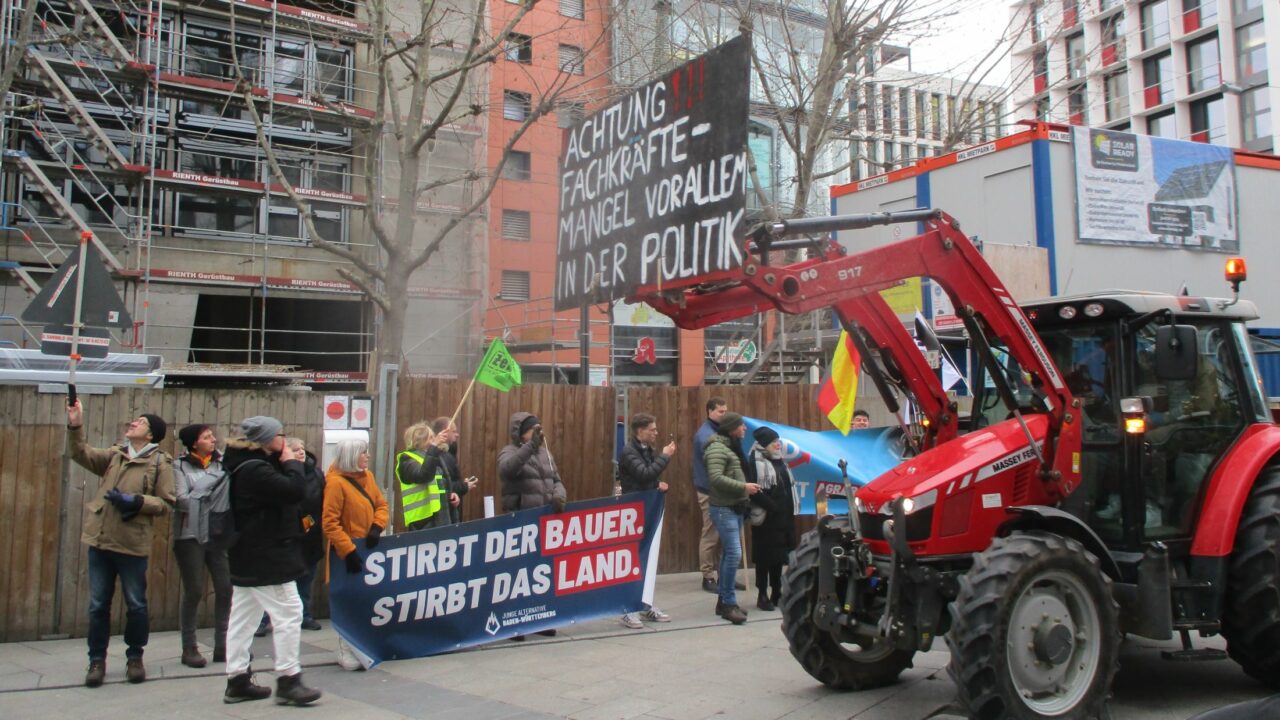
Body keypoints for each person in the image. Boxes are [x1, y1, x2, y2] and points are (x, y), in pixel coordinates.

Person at [67, 401, 174, 688]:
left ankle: (135, 658)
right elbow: (79, 453)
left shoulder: (161, 464)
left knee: (136, 605)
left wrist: (137, 501)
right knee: (98, 605)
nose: (132, 423)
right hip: (100, 541)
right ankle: (96, 661)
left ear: (151, 435)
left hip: (131, 545)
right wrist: (76, 425)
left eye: (140, 422)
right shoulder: (115, 456)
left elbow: (167, 504)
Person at [221, 416, 322, 706]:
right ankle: (289, 679)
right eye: (281, 435)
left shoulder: (241, 464)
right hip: (267, 556)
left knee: (243, 618)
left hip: (246, 553)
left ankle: (237, 678)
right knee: (290, 611)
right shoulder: (255, 470)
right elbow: (293, 490)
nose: (285, 440)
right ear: (267, 439)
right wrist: (293, 464)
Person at [321, 438, 388, 671]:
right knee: (347, 600)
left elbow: (381, 505)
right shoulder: (335, 484)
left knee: (366, 599)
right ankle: (345, 647)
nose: (367, 456)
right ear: (351, 456)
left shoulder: (367, 477)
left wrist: (377, 527)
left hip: (368, 548)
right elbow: (330, 523)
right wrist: (347, 550)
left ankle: (361, 645)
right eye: (363, 453)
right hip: (347, 552)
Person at [497, 412, 566, 639]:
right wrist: (529, 447)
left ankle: (541, 620)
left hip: (544, 520)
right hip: (521, 519)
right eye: (532, 428)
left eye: (539, 427)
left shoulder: (545, 453)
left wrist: (559, 495)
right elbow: (507, 470)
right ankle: (514, 623)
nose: (538, 431)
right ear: (521, 432)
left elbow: (556, 479)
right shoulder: (510, 451)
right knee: (518, 574)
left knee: (541, 573)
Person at [173, 423, 232, 668]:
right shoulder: (179, 466)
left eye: (212, 436)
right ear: (194, 443)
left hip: (216, 534)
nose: (213, 440)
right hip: (189, 535)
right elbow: (181, 499)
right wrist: (212, 499)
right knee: (195, 590)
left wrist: (205, 499)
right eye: (207, 437)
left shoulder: (221, 465)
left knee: (226, 587)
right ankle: (189, 647)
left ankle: (223, 645)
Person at [616, 412, 676, 629]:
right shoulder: (629, 452)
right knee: (634, 559)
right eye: (652, 429)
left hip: (646, 507)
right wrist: (665, 456)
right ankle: (628, 609)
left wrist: (656, 484)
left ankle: (645, 603)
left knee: (647, 559)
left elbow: (649, 477)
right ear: (640, 431)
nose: (656, 433)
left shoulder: (646, 450)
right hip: (634, 511)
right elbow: (643, 474)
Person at [703, 412, 759, 625]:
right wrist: (743, 487)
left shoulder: (728, 446)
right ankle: (728, 602)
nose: (744, 429)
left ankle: (725, 601)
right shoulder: (718, 448)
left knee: (730, 554)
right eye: (741, 426)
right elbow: (716, 478)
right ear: (731, 428)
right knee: (733, 553)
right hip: (724, 508)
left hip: (733, 506)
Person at [693, 397, 744, 594]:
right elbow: (714, 469)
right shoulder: (705, 435)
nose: (724, 414)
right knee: (711, 534)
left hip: (724, 492)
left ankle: (725, 575)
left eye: (725, 411)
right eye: (720, 411)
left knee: (727, 536)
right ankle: (708, 576)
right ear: (710, 412)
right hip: (710, 491)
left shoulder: (719, 432)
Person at [745, 426, 797, 611]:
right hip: (766, 518)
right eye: (774, 442)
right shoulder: (755, 461)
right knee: (764, 558)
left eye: (778, 441)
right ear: (764, 444)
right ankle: (762, 595)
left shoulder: (780, 460)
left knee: (778, 557)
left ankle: (777, 591)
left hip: (783, 518)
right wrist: (772, 506)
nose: (777, 444)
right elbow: (754, 491)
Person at [396, 422, 453, 531]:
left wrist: (451, 493)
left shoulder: (430, 457)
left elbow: (439, 483)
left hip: (438, 518)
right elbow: (423, 476)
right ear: (419, 441)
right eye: (431, 438)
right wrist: (434, 448)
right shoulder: (407, 460)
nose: (434, 440)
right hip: (422, 521)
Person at [432, 416, 476, 523]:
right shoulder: (440, 456)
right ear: (444, 432)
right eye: (454, 431)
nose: (457, 434)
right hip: (445, 514)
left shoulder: (448, 453)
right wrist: (464, 486)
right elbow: (445, 486)